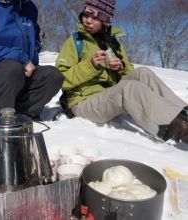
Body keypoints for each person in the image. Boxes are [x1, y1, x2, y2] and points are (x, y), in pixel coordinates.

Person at [55, 0, 188, 144]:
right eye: (86, 15)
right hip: (83, 102)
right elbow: (60, 79)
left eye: (95, 18)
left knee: (143, 72)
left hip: (108, 96)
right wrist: (90, 66)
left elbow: (129, 73)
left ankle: (184, 114)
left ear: (105, 20)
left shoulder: (114, 43)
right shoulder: (75, 41)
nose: (88, 21)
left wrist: (121, 67)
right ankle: (178, 127)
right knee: (129, 88)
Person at [0, 0, 64, 119]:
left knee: (53, 76)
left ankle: (23, 115)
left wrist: (34, 49)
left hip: (24, 75)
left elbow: (35, 39)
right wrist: (21, 58)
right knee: (13, 68)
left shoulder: (29, 8)